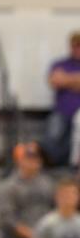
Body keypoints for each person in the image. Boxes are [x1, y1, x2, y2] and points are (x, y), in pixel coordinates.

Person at [44, 31, 80, 166]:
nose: (78, 49)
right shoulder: (59, 63)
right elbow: (55, 81)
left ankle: (73, 167)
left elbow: (62, 80)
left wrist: (66, 79)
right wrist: (76, 80)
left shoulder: (62, 69)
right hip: (62, 111)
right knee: (53, 134)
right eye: (75, 45)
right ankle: (50, 165)